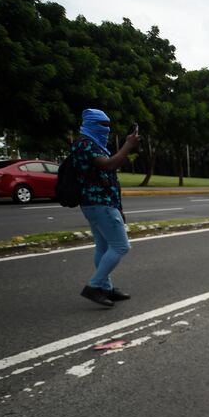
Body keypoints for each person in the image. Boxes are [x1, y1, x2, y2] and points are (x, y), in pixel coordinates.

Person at [73, 108, 140, 307]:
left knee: (103, 247)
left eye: (108, 125)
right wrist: (128, 145)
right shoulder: (84, 144)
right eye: (103, 125)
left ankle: (106, 288)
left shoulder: (95, 144)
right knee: (121, 246)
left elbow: (108, 177)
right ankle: (94, 286)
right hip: (98, 203)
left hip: (102, 203)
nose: (107, 130)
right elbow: (109, 166)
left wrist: (118, 206)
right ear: (91, 124)